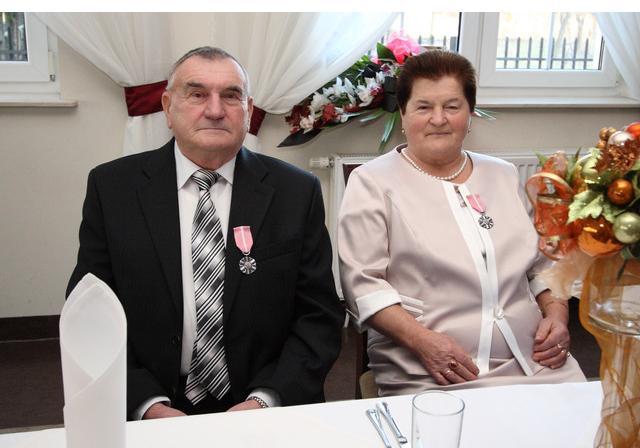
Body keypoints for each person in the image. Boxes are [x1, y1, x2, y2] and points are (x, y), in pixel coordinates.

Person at [67, 46, 343, 419]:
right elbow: (89, 314)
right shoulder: (113, 189)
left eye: (230, 96)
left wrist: (266, 400)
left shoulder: (296, 192)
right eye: (197, 94)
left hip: (264, 403)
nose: (215, 110)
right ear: (168, 108)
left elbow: (319, 316)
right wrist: (147, 406)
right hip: (152, 404)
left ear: (248, 110)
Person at [338, 50, 585, 396]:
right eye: (424, 107)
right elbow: (364, 287)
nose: (439, 119)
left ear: (470, 115)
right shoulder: (372, 182)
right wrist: (423, 342)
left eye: (452, 107)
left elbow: (543, 268)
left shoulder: (503, 174)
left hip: (535, 359)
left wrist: (557, 317)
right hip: (434, 368)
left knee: (588, 427)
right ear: (403, 113)